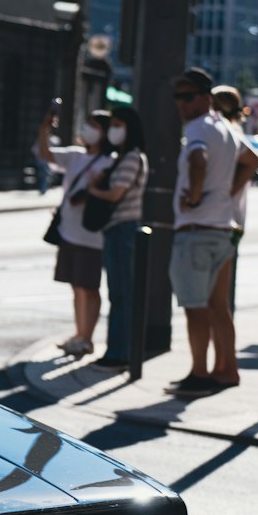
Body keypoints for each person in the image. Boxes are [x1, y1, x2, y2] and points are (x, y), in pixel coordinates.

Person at [165, 68, 258, 397]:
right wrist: (227, 194)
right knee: (219, 305)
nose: (181, 103)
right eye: (178, 97)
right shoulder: (228, 129)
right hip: (222, 230)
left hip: (197, 230)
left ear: (206, 98)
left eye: (188, 96)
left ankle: (200, 374)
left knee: (195, 307)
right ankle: (228, 369)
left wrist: (193, 197)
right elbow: (252, 160)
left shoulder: (197, 127)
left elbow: (198, 160)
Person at [33, 108, 114, 358]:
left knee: (88, 286)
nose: (88, 130)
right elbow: (44, 154)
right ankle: (79, 334)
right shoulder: (75, 156)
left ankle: (87, 338)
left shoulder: (109, 161)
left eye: (95, 126)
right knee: (76, 286)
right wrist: (45, 128)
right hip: (69, 232)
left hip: (92, 235)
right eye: (87, 124)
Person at [83, 105, 149, 370]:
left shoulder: (132, 157)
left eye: (119, 124)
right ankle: (118, 350)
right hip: (118, 229)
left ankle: (120, 353)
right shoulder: (123, 157)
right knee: (119, 294)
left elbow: (116, 195)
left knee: (122, 294)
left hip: (123, 229)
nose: (113, 130)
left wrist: (94, 189)